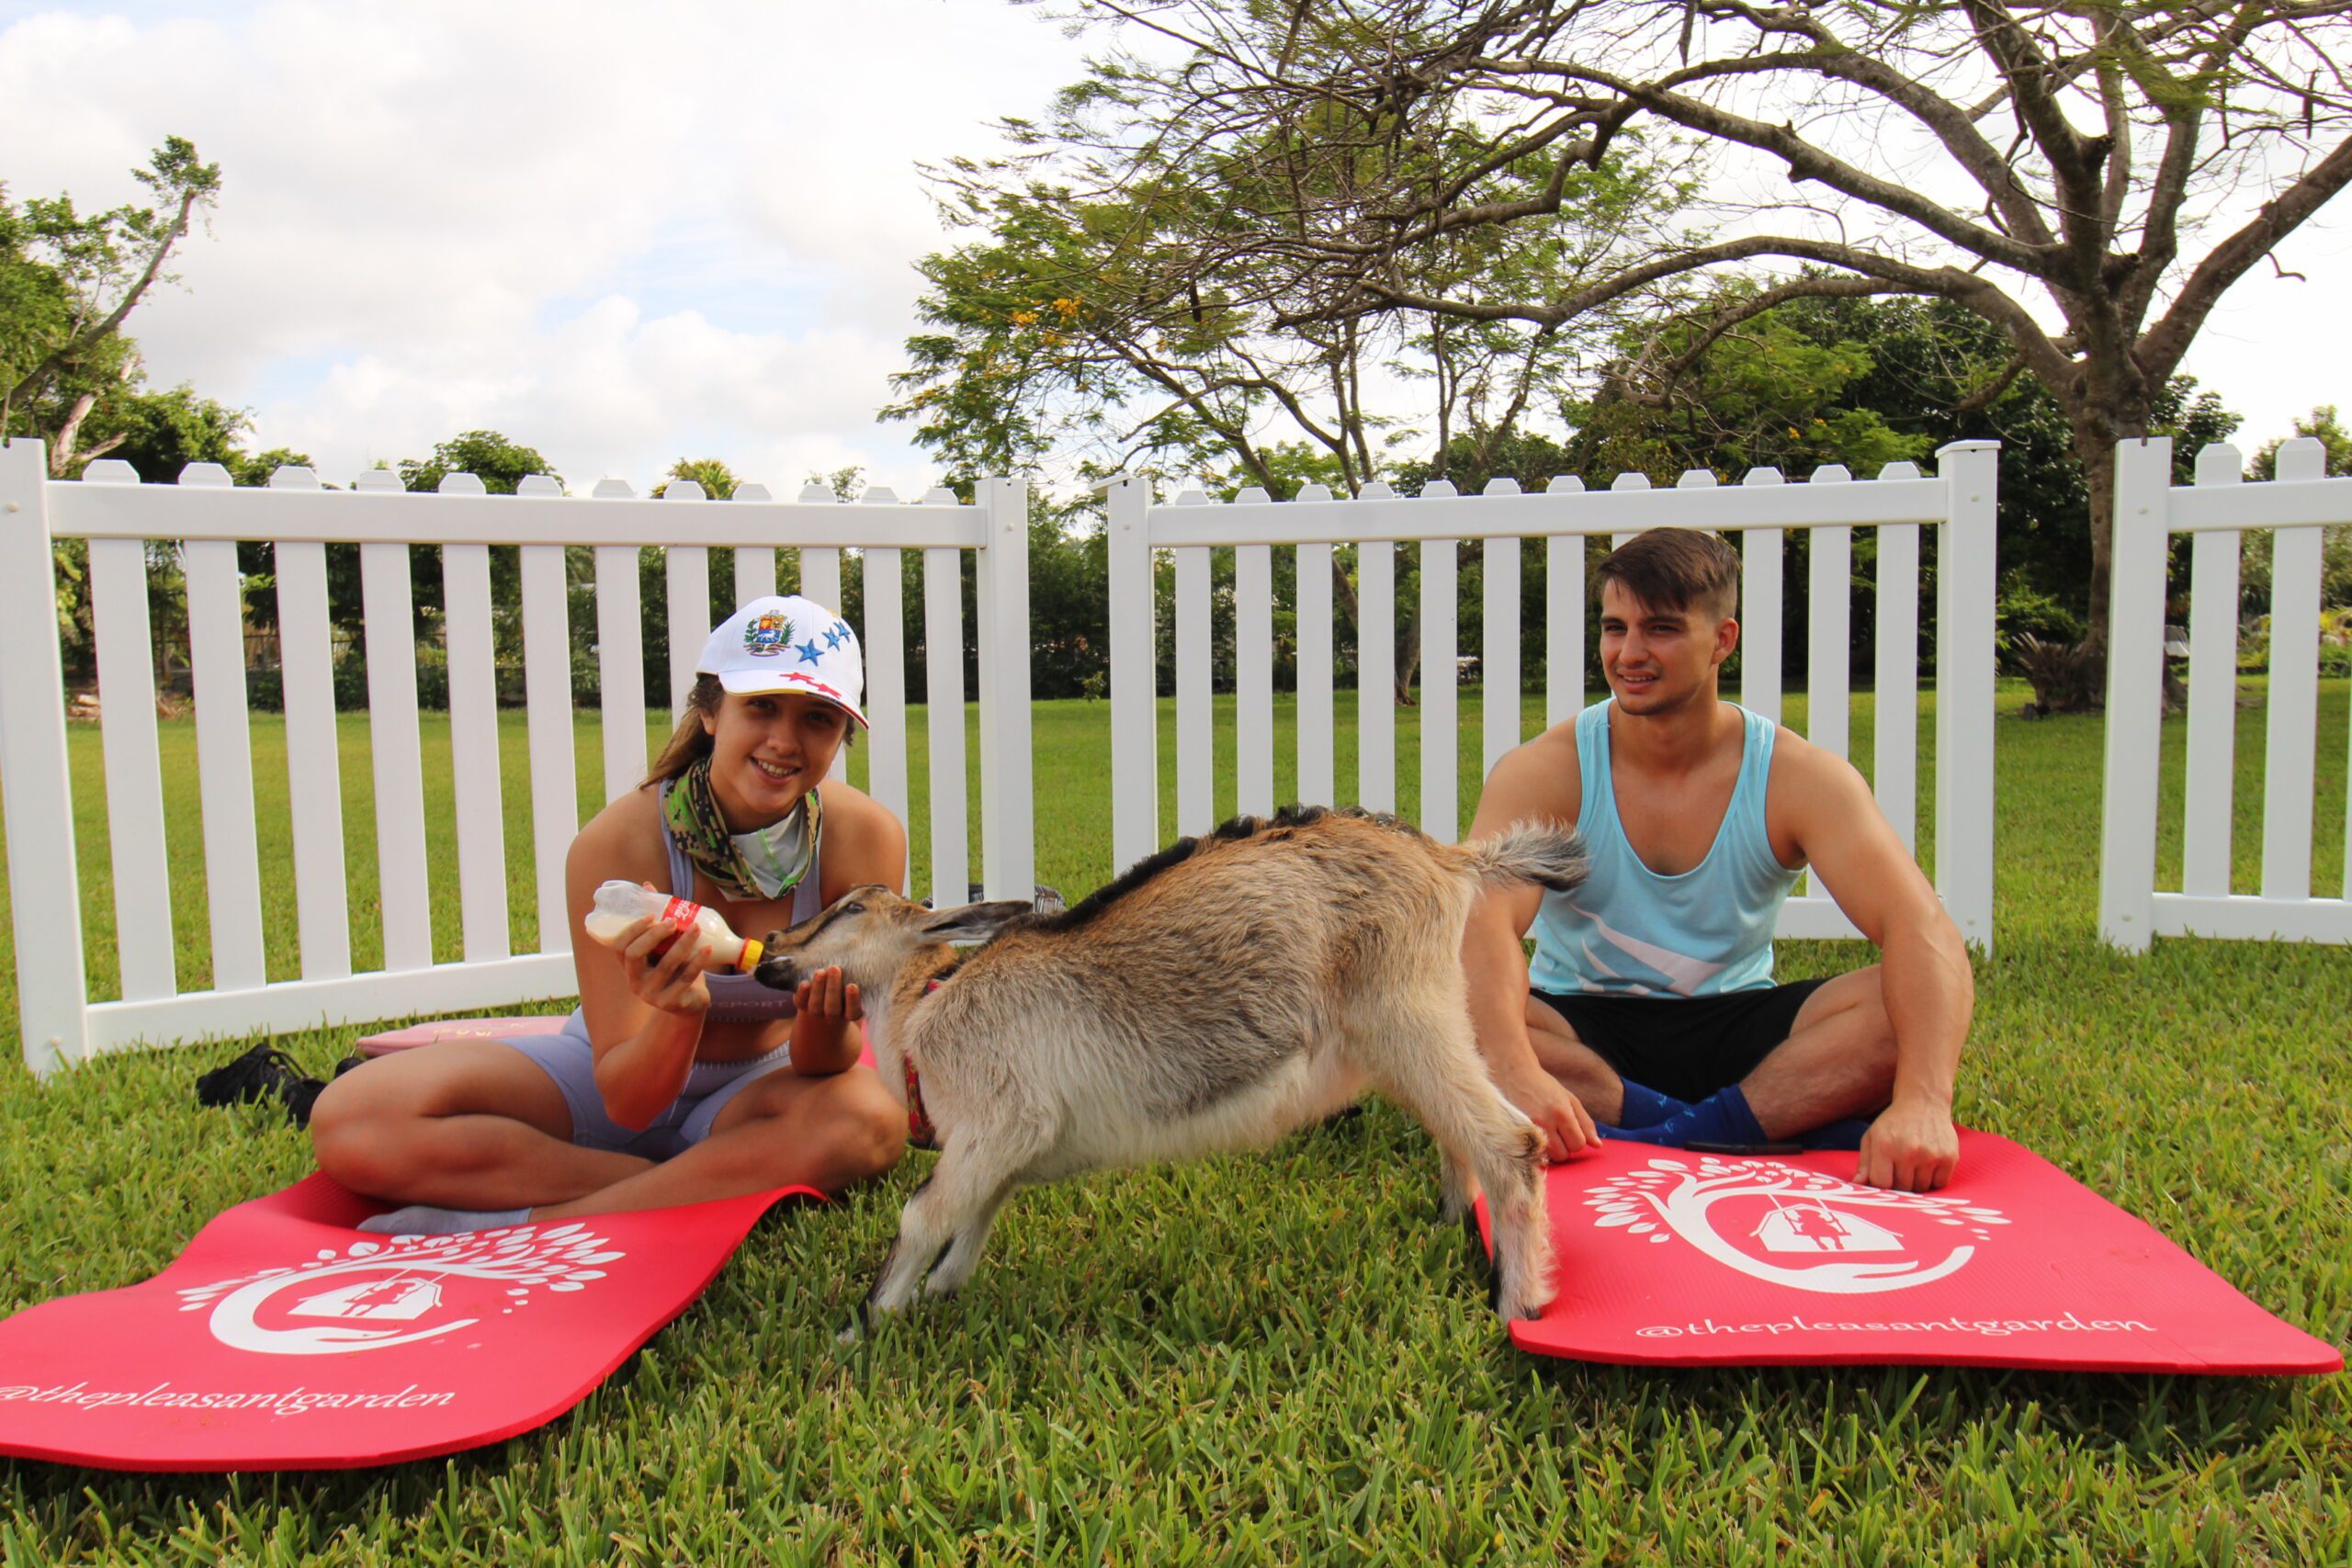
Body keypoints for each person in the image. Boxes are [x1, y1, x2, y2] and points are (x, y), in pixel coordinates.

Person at [311, 594, 910, 1234]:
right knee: (354, 1116)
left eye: (818, 718)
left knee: (869, 1119)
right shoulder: (618, 843)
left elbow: (822, 1064)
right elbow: (628, 1099)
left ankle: (528, 1220)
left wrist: (825, 1016)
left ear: (842, 735)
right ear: (711, 712)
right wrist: (679, 1014)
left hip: (760, 1092)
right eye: (760, 705)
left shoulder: (862, 836)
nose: (784, 742)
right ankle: (710, 1181)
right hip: (612, 1080)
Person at [1462, 528, 1972, 1192]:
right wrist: (1513, 1068)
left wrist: (1925, 1102)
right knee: (1446, 997)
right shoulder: (1548, 771)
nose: (1630, 652)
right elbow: (1480, 925)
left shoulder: (1798, 775)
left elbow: (1920, 928)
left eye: (1662, 629)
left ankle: (1656, 1137)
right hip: (1580, 1023)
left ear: (1723, 639)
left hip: (1738, 1026)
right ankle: (1745, 1128)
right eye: (1615, 628)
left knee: (1906, 1002)